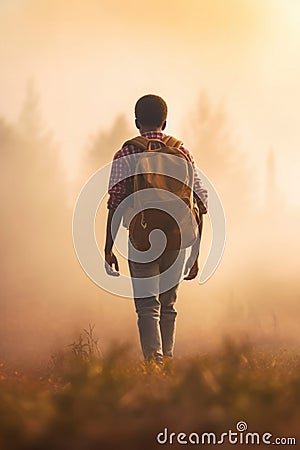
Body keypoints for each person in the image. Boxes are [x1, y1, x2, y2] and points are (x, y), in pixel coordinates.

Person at [104, 94, 208, 364]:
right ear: (165, 121)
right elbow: (200, 202)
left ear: (137, 121)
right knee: (168, 305)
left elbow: (114, 202)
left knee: (147, 306)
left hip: (142, 239)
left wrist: (108, 247)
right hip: (176, 238)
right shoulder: (182, 151)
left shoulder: (127, 152)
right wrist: (195, 252)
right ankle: (168, 360)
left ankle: (155, 363)